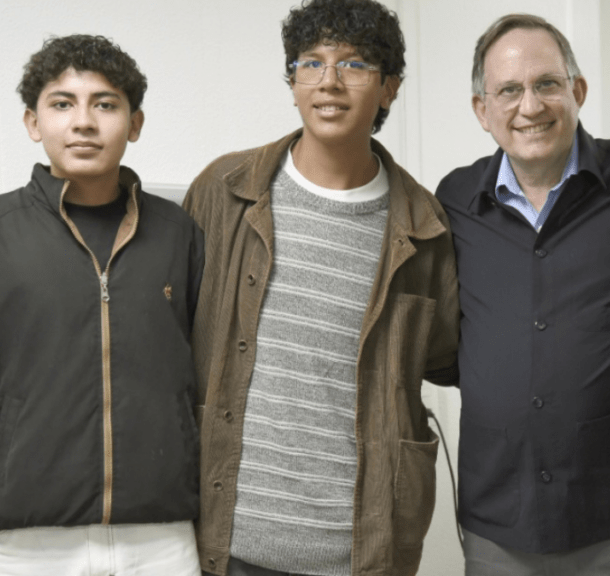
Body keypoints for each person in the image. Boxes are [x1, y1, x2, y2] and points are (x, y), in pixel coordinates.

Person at [182, 1, 459, 575]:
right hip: (226, 544)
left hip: (359, 553)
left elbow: (444, 357)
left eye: (353, 64)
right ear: (292, 83)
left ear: (389, 88)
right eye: (311, 62)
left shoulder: (424, 226)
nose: (329, 81)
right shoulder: (223, 191)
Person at [434, 13, 610, 575]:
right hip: (498, 524)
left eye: (547, 84)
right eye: (508, 90)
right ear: (482, 110)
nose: (530, 106)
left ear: (577, 91)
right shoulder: (455, 200)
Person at [0, 34, 204, 576]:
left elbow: (211, 381)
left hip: (162, 542)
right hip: (21, 547)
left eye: (105, 104)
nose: (83, 122)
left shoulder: (180, 235)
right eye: (62, 104)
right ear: (33, 122)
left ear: (135, 123)